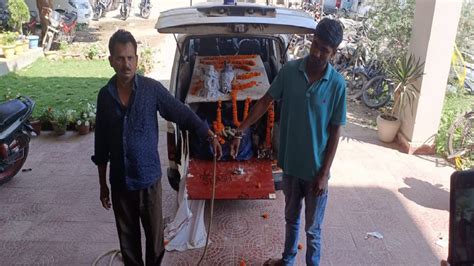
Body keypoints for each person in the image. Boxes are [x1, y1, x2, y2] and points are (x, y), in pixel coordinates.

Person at [92, 29, 222, 266]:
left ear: (137, 59)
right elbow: (100, 143)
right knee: (128, 240)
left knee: (154, 241)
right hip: (120, 183)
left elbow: (180, 111)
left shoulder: (151, 90)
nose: (126, 64)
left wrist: (207, 133)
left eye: (130, 58)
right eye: (120, 58)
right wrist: (103, 184)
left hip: (149, 181)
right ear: (111, 61)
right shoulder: (105, 96)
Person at [231, 18, 346, 266]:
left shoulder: (337, 85)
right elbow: (264, 101)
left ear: (333, 53)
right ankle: (288, 260)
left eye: (324, 50)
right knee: (291, 219)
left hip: (316, 172)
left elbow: (336, 131)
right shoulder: (290, 72)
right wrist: (240, 130)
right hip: (291, 168)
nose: (316, 53)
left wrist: (324, 173)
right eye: (315, 44)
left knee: (313, 231)